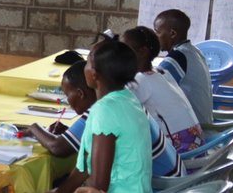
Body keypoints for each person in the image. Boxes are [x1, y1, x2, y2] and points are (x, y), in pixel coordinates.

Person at [5, 38, 153, 193]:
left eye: (87, 62)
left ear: (94, 75)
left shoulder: (105, 110)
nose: (84, 67)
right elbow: (85, 168)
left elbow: (98, 186)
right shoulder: (127, 99)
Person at [28, 60, 184, 178]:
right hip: (174, 179)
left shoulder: (102, 111)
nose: (67, 100)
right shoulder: (125, 97)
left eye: (67, 94)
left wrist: (34, 128)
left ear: (81, 93)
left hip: (160, 191)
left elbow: (58, 148)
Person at [121, 26, 204, 153]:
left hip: (181, 151)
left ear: (142, 52)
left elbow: (118, 106)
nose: (119, 55)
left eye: (124, 50)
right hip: (197, 144)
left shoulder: (140, 80)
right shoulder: (162, 72)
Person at [153, 9, 214, 125]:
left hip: (194, 131)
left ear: (172, 34)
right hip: (203, 124)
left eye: (157, 32)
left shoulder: (178, 57)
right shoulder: (194, 51)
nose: (155, 37)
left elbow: (153, 86)